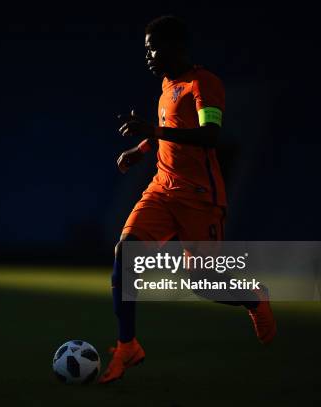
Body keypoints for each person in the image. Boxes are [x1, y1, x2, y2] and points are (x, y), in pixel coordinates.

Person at [98, 15, 277, 384]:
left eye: (153, 47)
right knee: (124, 253)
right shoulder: (166, 86)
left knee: (201, 281)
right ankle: (127, 345)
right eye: (145, 48)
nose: (147, 55)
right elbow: (171, 133)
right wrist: (143, 147)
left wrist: (151, 130)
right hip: (162, 189)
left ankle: (253, 298)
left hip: (200, 198)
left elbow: (210, 135)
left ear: (176, 47)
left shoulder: (204, 84)